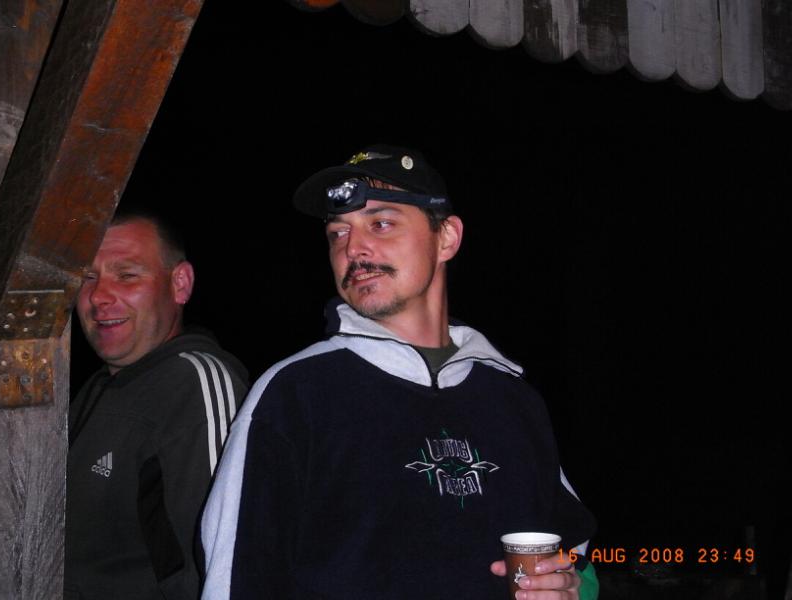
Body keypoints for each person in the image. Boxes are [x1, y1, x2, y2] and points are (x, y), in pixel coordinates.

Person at [200, 144, 597, 599]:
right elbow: (232, 582)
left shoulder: (513, 399)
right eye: (337, 233)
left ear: (446, 238)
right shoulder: (295, 394)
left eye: (381, 223)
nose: (353, 249)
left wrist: (566, 581)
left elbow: (573, 551)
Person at [65, 209, 249, 599]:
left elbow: (224, 564)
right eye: (88, 278)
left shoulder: (194, 385)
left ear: (180, 284)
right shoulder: (96, 389)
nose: (99, 296)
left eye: (127, 275)